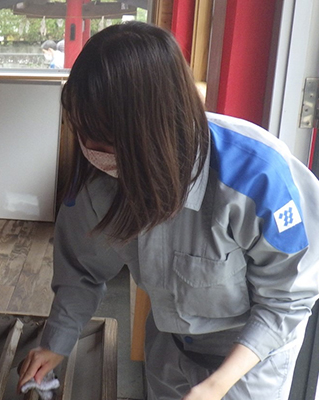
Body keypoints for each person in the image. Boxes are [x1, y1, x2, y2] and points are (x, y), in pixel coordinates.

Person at [18, 21, 319, 400]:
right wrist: (56, 342)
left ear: (152, 127)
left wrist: (217, 384)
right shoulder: (100, 183)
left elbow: (286, 300)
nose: (89, 148)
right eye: (82, 130)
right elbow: (81, 271)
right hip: (170, 342)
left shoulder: (257, 175)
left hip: (251, 356)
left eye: (105, 137)